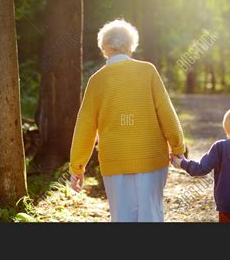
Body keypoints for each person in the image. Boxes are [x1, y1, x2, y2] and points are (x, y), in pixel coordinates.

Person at [69, 19, 185, 222]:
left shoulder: (96, 81)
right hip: (151, 158)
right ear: (131, 45)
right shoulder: (147, 71)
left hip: (115, 161)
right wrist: (177, 148)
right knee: (151, 215)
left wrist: (77, 167)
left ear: (104, 48)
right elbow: (166, 113)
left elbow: (84, 128)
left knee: (122, 216)